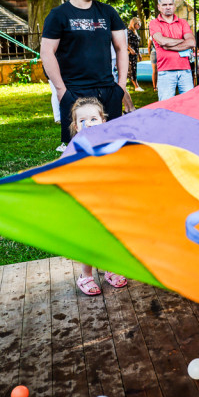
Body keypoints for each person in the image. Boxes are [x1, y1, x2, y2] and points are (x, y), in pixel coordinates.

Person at [41, 0, 134, 148]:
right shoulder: (58, 15)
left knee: (111, 146)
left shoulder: (108, 12)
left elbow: (122, 49)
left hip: (108, 90)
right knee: (77, 149)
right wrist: (61, 90)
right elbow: (46, 52)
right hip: (75, 91)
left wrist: (121, 86)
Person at [66, 98, 129, 295]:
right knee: (91, 241)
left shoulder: (109, 144)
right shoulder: (75, 147)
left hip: (109, 202)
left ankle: (111, 269)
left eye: (94, 118)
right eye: (83, 120)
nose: (89, 123)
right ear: (76, 126)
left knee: (112, 236)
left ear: (103, 121)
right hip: (87, 204)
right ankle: (86, 276)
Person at [148, 0, 196, 101]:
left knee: (189, 104)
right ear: (159, 7)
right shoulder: (154, 23)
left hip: (185, 70)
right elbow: (161, 41)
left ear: (174, 6)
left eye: (170, 4)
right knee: (165, 106)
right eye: (164, 5)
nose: (168, 7)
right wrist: (184, 41)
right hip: (166, 71)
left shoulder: (183, 22)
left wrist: (169, 45)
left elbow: (192, 42)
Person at [126, 17, 143, 92]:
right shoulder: (127, 31)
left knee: (133, 69)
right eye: (138, 24)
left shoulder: (135, 31)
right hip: (129, 53)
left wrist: (139, 53)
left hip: (135, 53)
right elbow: (123, 42)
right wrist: (130, 49)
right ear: (134, 24)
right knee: (132, 69)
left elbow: (137, 44)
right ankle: (136, 86)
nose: (139, 26)